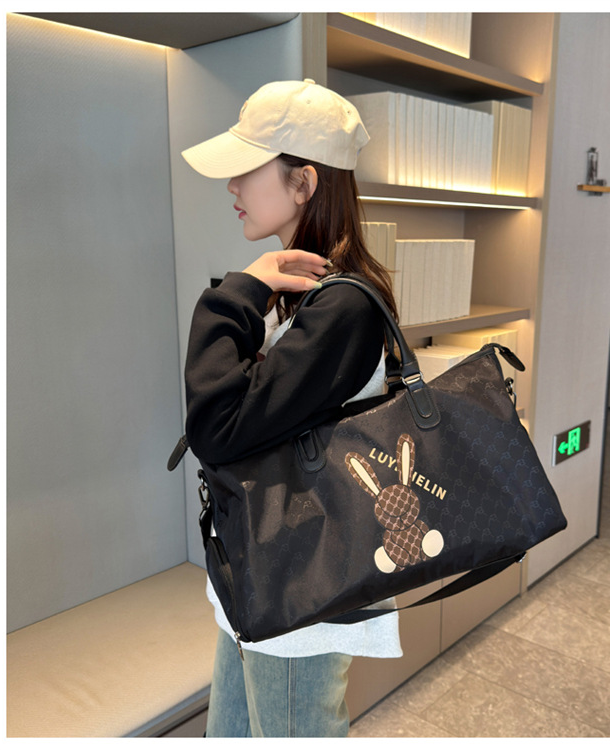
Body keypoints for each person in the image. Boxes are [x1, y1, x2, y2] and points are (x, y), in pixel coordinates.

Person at [180, 79, 402, 738]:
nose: (232, 186)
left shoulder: (343, 305)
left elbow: (217, 429)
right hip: (265, 568)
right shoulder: (304, 291)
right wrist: (256, 289)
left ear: (303, 183)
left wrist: (235, 294)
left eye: (245, 169)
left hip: (301, 584)